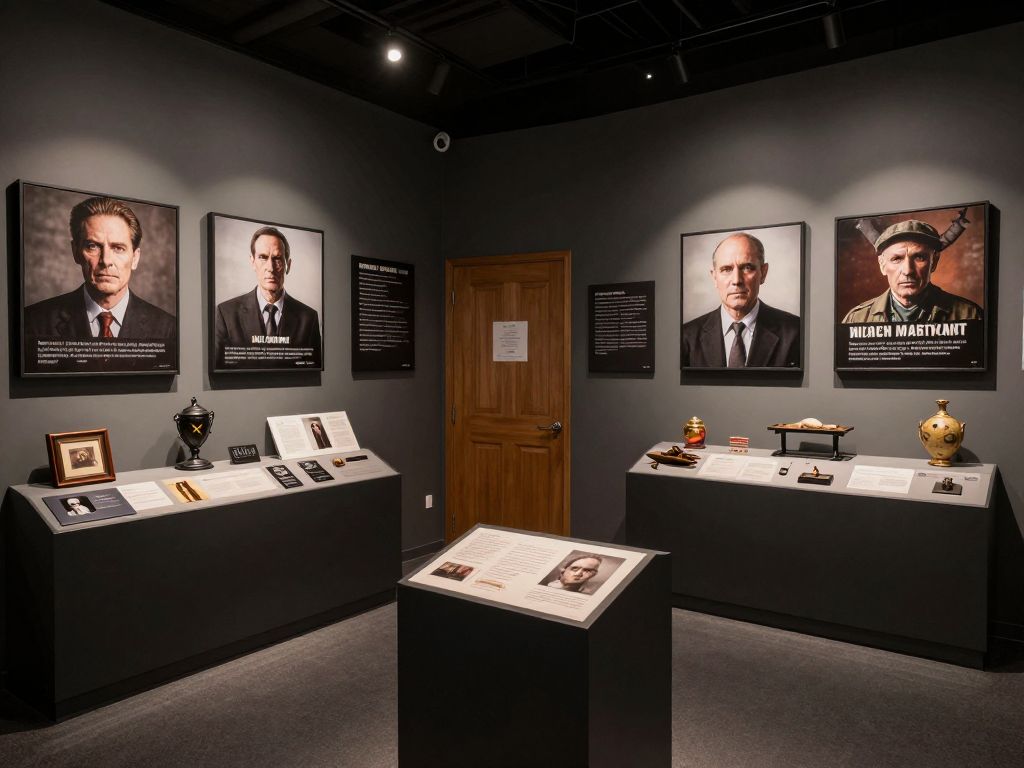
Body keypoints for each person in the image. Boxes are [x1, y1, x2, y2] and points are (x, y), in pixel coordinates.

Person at [23, 197, 176, 339]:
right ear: (75, 252)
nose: (106, 260)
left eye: (118, 248)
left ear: (135, 258)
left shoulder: (168, 329)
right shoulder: (33, 322)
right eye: (93, 246)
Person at [681, 232, 800, 367]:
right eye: (726, 269)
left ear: (763, 272)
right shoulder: (686, 337)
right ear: (714, 277)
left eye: (747, 268)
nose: (737, 280)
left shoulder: (796, 333)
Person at [214, 226, 322, 365]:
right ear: (252, 262)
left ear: (288, 265)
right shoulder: (226, 313)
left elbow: (312, 374)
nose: (270, 267)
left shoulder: (309, 318)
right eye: (263, 257)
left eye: (277, 258)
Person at [842, 220, 983, 323]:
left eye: (919, 257)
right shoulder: (856, 319)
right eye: (897, 258)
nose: (908, 271)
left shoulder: (970, 316)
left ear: (934, 262)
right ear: (882, 265)